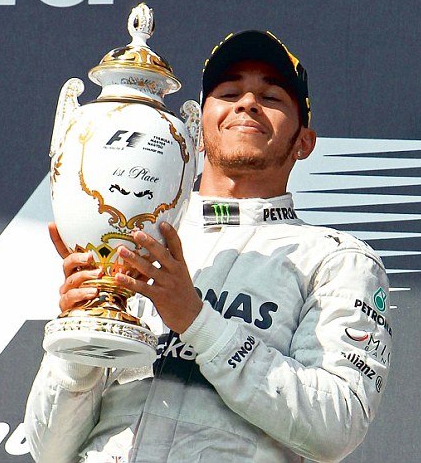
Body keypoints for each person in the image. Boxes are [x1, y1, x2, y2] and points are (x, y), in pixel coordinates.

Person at [24, 30, 392, 462]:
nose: (247, 103)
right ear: (196, 131)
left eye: (271, 97)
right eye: (229, 92)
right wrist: (79, 345)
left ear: (303, 142)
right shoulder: (135, 235)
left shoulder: (337, 259)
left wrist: (197, 321)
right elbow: (49, 450)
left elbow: (336, 425)